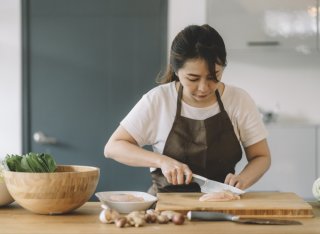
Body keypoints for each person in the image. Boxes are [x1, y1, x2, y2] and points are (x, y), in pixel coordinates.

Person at [104, 24, 271, 195]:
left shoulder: (238, 100)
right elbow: (113, 147)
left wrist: (243, 179)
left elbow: (261, 156)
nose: (203, 88)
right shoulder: (158, 100)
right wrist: (161, 161)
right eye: (193, 78)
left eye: (214, 77)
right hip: (166, 210)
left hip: (221, 204)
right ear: (176, 70)